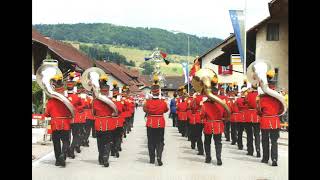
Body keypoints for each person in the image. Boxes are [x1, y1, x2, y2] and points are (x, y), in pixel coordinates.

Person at [257, 69, 284, 166]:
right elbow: (282, 109)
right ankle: (274, 159)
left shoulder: (262, 98)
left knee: (265, 140)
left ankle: (265, 158)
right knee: (274, 141)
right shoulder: (279, 96)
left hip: (265, 121)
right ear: (274, 85)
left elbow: (259, 111)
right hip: (275, 121)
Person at [44, 74, 71, 167]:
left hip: (55, 124)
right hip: (65, 124)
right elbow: (71, 111)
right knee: (66, 141)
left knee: (56, 142)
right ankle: (63, 155)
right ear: (63, 89)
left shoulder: (50, 101)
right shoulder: (67, 100)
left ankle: (57, 160)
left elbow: (47, 114)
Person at [143, 75, 168, 166]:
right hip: (160, 123)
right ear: (158, 92)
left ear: (152, 92)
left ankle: (152, 158)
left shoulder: (148, 102)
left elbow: (145, 110)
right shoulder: (163, 102)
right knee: (160, 141)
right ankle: (159, 156)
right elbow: (166, 110)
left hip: (150, 123)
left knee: (151, 141)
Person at [92, 74, 117, 167]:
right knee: (108, 141)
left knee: (100, 142)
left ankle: (101, 157)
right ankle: (105, 156)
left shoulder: (95, 101)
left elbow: (93, 112)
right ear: (107, 91)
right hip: (108, 123)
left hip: (99, 123)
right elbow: (115, 111)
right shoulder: (111, 101)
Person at [200, 75, 225, 165]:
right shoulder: (222, 101)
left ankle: (208, 158)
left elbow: (202, 116)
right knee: (218, 143)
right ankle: (219, 159)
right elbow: (226, 114)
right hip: (218, 125)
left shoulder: (205, 104)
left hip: (208, 125)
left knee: (207, 142)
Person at [66, 72, 85, 158]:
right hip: (75, 118)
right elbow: (83, 105)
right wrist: (77, 109)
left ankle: (67, 150)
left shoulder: (64, 96)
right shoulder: (76, 97)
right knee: (76, 135)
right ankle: (71, 149)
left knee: (67, 136)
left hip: (66, 118)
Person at [245, 85, 261, 157]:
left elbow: (246, 102)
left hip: (249, 116)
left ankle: (250, 150)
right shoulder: (260, 94)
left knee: (249, 135)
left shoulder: (248, 94)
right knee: (257, 135)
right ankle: (258, 150)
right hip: (257, 116)